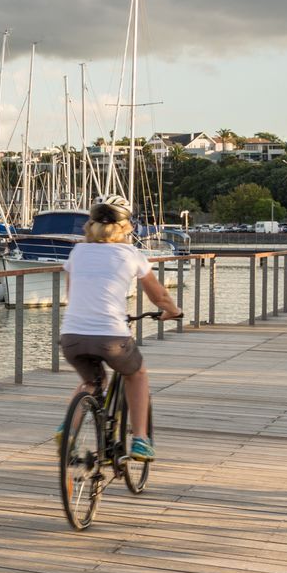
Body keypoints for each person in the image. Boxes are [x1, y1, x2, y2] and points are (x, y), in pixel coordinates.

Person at [57, 197, 181, 460]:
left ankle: (67, 430)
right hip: (111, 336)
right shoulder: (131, 254)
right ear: (127, 227)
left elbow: (71, 294)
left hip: (72, 336)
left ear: (91, 225)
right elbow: (158, 297)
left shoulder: (77, 253)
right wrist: (173, 311)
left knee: (92, 381)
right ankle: (140, 440)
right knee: (137, 374)